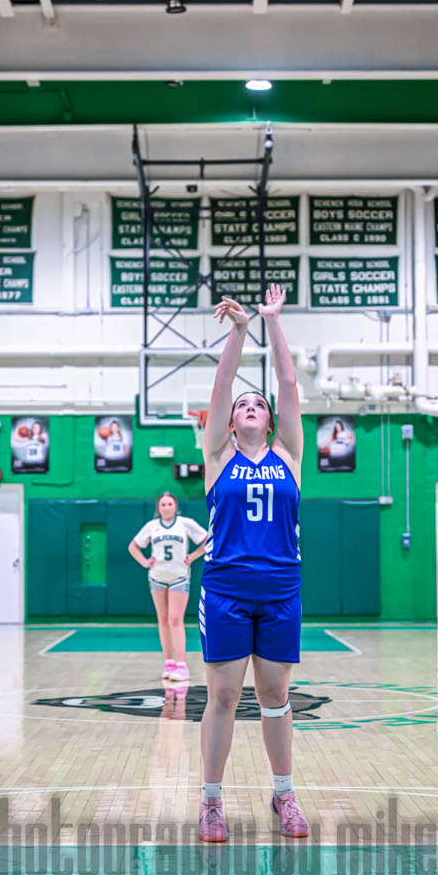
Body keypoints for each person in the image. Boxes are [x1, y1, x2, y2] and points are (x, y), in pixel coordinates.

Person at [198, 282, 309, 843]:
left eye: (257, 405)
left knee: (274, 697)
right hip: (226, 589)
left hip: (280, 588)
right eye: (243, 404)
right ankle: (211, 801)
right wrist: (240, 332)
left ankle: (284, 793)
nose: (248, 405)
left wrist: (272, 321)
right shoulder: (217, 456)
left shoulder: (289, 454)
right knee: (223, 697)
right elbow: (222, 385)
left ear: (269, 421)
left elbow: (287, 384)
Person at [128, 492, 207, 681]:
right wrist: (145, 562)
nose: (166, 507)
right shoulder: (152, 526)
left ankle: (182, 665)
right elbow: (133, 546)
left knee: (175, 619)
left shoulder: (185, 523)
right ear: (158, 507)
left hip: (179, 576)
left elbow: (207, 540)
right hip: (157, 577)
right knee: (163, 620)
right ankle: (169, 662)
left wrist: (193, 556)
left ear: (176, 506)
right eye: (163, 504)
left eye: (169, 503)